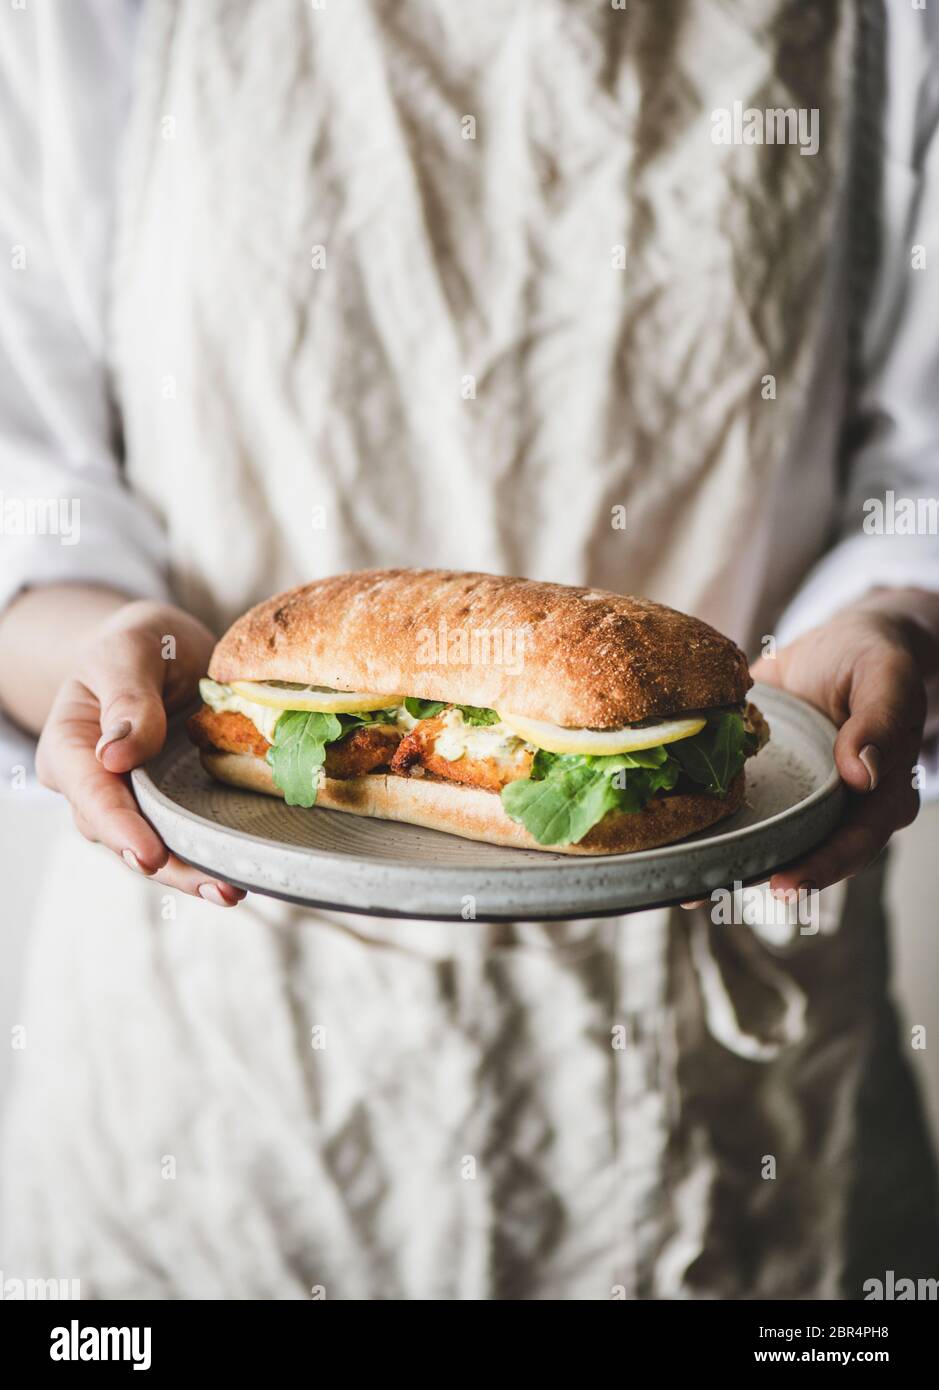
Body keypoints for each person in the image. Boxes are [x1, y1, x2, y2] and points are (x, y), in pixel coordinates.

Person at [0, 0, 938, 1299]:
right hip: (217, 1078)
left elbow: (924, 468)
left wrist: (892, 620)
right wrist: (101, 652)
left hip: (728, 1098)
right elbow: (25, 485)